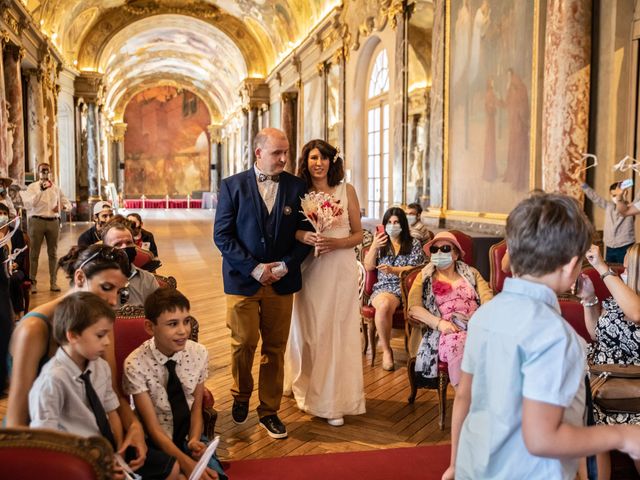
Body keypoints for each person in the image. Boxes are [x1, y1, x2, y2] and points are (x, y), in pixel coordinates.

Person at [442, 193, 640, 480]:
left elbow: (464, 397)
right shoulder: (557, 337)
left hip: (476, 467)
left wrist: (455, 463)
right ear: (572, 265)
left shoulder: (485, 316)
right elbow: (543, 439)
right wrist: (622, 435)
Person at [6, 244, 149, 472]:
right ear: (80, 277)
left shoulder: (100, 320)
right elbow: (17, 420)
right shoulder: (34, 328)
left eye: (119, 292)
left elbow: (110, 390)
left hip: (93, 437)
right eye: (106, 287)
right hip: (43, 444)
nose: (113, 301)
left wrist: (134, 426)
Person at [214, 127, 311, 439]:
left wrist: (285, 266)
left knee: (275, 348)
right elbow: (222, 235)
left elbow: (306, 234)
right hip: (242, 280)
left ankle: (269, 411)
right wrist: (254, 268)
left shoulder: (298, 187)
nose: (284, 158)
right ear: (258, 153)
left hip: (282, 281)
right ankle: (241, 394)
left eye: (285, 152)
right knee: (242, 343)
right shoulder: (232, 186)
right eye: (277, 153)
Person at [29, 292, 181, 480]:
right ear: (73, 335)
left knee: (172, 469)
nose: (108, 342)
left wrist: (118, 453)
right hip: (75, 458)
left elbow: (112, 412)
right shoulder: (52, 380)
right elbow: (45, 444)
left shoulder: (99, 366)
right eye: (100, 335)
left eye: (108, 334)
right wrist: (98, 466)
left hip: (106, 449)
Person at [284, 139, 366, 427]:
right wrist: (302, 237)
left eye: (323, 158)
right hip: (311, 269)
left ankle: (332, 400)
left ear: (332, 161)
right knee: (310, 331)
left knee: (337, 331)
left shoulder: (347, 191)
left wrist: (336, 243)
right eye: (312, 157)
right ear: (305, 162)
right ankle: (304, 383)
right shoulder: (298, 191)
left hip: (340, 268)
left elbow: (359, 234)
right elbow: (287, 231)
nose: (318, 163)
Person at [124, 288, 225, 480]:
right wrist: (187, 465)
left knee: (214, 477)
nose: (183, 331)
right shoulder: (135, 363)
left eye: (186, 321)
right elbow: (152, 428)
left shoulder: (198, 353)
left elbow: (196, 409)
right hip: (155, 442)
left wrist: (195, 439)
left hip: (187, 434)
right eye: (172, 324)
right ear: (149, 327)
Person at [577, 243, 640, 479]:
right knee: (589, 429)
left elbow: (636, 314)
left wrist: (601, 267)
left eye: (626, 265)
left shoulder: (631, 302)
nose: (621, 269)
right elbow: (597, 333)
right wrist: (590, 299)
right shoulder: (617, 299)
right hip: (601, 384)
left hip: (633, 391)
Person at [407, 231, 492, 388]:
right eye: (434, 250)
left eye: (445, 249)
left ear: (455, 255)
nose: (439, 253)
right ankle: (465, 396)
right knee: (458, 345)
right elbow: (413, 308)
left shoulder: (471, 273)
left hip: (475, 324)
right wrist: (440, 324)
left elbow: (487, 298)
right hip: (446, 331)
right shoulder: (424, 277)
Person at [363, 207, 426, 371]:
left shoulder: (413, 244)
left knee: (386, 304)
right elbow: (368, 266)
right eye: (389, 222)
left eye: (396, 222)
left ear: (403, 224)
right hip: (383, 288)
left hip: (405, 288)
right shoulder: (381, 244)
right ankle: (386, 350)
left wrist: (393, 270)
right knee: (383, 305)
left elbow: (417, 268)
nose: (392, 225)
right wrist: (375, 246)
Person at [21, 162, 71, 293]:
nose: (44, 173)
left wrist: (61, 207)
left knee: (53, 253)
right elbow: (28, 204)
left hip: (53, 222)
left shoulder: (56, 188)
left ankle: (53, 283)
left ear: (50, 172)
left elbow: (67, 203)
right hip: (36, 221)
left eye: (47, 171)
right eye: (42, 171)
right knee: (34, 254)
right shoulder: (32, 187)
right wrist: (41, 191)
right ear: (38, 172)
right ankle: (33, 283)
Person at [101, 221, 159, 307]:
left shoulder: (148, 280)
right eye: (117, 244)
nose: (125, 247)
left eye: (129, 243)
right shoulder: (95, 282)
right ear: (105, 250)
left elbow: (159, 314)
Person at [581, 181, 634, 264]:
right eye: (614, 195)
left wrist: (622, 195)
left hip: (625, 246)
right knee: (609, 269)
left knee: (625, 270)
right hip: (610, 247)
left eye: (618, 194)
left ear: (625, 193)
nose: (616, 197)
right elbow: (595, 197)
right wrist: (583, 184)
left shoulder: (631, 208)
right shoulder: (608, 206)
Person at [0, 203, 28, 317]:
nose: (2, 216)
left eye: (5, 213)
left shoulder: (16, 233)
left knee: (13, 279)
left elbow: (21, 254)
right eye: (0, 213)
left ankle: (18, 312)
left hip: (15, 268)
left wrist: (14, 265)